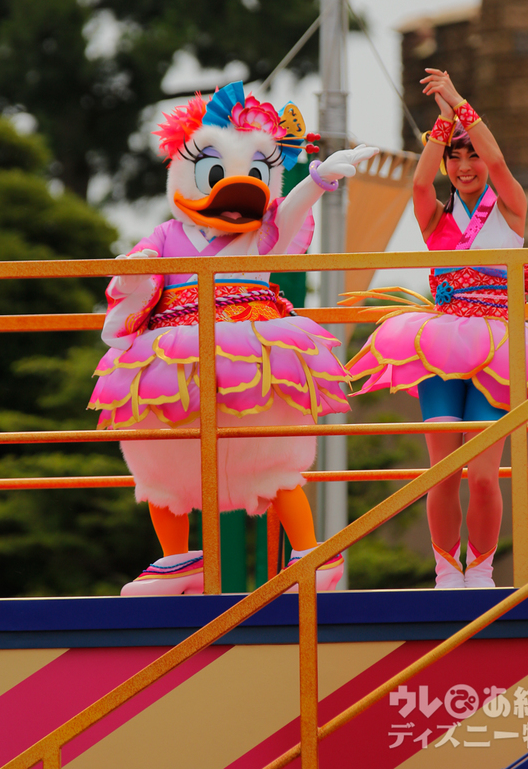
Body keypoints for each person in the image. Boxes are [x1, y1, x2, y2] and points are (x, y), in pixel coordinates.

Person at [89, 81, 378, 595]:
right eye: (215, 173)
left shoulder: (260, 232)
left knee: (273, 457)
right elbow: (135, 271)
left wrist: (316, 179)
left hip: (252, 349)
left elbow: (288, 216)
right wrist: (135, 272)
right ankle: (180, 562)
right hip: (174, 355)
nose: (233, 191)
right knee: (158, 461)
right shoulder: (165, 236)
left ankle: (311, 558)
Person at [347, 70, 528, 588]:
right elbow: (419, 182)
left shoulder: (511, 208)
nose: (465, 167)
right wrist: (441, 125)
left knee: (486, 476)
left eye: (471, 157)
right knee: (442, 472)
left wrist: (458, 101)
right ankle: (449, 570)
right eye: (455, 157)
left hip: (498, 348)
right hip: (443, 347)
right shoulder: (433, 216)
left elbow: (498, 160)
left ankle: (483, 569)